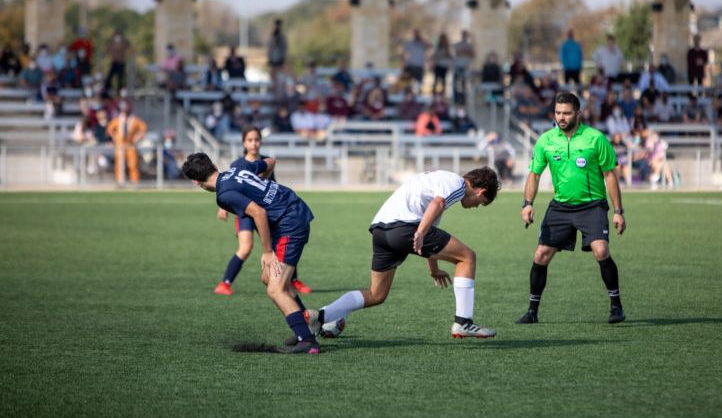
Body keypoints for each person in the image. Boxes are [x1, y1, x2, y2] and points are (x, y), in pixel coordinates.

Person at [305, 168, 500, 341]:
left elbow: (431, 219)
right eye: (481, 202)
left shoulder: (438, 180)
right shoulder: (458, 185)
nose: (475, 206)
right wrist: (421, 232)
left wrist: (434, 268)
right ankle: (464, 322)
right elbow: (437, 204)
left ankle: (320, 316)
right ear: (480, 191)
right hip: (404, 227)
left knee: (376, 294)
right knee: (467, 257)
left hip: (381, 231)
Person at [182, 152, 320, 354]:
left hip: (289, 222)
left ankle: (307, 340)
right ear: (212, 166)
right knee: (268, 278)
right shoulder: (236, 170)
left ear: (197, 182)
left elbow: (259, 212)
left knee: (275, 289)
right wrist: (261, 189)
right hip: (291, 210)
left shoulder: (223, 195)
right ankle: (306, 322)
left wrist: (267, 251)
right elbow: (271, 161)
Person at [517, 92, 627, 325]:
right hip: (560, 207)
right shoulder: (546, 140)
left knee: (601, 250)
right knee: (541, 255)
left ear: (578, 113)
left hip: (592, 205)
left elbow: (610, 175)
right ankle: (532, 312)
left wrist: (618, 211)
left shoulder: (595, 139)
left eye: (566, 113)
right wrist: (527, 204)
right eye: (558, 113)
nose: (561, 117)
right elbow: (534, 175)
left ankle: (616, 306)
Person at [213, 126, 313, 296]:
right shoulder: (238, 165)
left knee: (279, 245)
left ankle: (292, 280)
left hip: (264, 211)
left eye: (257, 140)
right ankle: (225, 283)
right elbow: (228, 188)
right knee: (245, 248)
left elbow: (270, 186)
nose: (254, 143)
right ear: (244, 143)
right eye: (250, 140)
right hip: (246, 212)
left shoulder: (265, 161)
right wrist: (223, 208)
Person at [106, 100, 148, 184]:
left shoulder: (134, 120)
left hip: (130, 145)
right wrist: (115, 137)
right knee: (119, 164)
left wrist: (138, 137)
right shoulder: (117, 120)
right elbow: (109, 129)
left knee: (133, 164)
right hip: (120, 145)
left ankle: (134, 181)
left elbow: (143, 128)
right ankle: (119, 181)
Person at [402, 29, 429, 93]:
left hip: (419, 66)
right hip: (411, 65)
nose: (416, 35)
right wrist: (404, 62)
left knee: (419, 84)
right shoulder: (410, 43)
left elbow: (429, 46)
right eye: (415, 33)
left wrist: (422, 39)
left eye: (417, 33)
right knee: (408, 83)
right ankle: (409, 96)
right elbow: (403, 52)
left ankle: (418, 96)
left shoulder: (422, 43)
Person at [452, 30, 474, 104]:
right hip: (458, 67)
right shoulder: (457, 44)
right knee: (456, 85)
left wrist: (465, 51)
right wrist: (465, 52)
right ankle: (456, 99)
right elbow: (457, 53)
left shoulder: (469, 45)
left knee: (464, 85)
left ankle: (463, 100)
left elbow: (472, 54)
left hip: (465, 67)